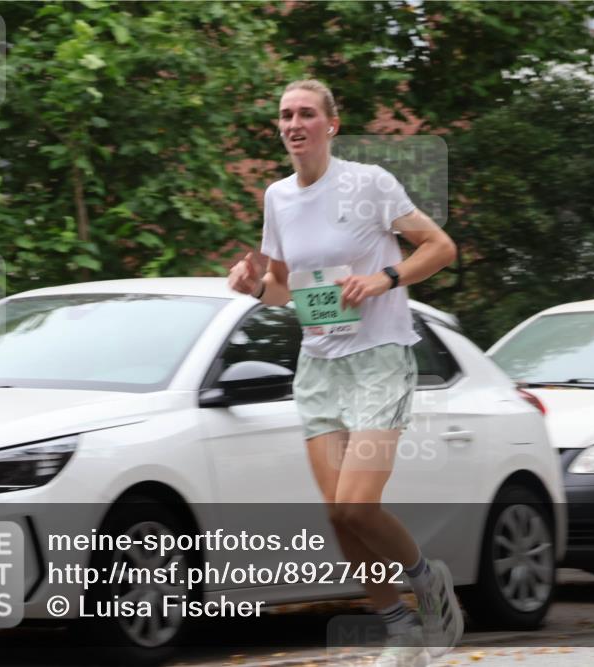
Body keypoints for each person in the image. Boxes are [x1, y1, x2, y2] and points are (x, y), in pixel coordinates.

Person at [228, 79, 461, 667]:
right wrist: (254, 284)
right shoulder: (278, 198)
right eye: (284, 115)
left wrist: (384, 278)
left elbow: (439, 247)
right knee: (336, 513)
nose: (293, 123)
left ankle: (428, 583)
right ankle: (400, 629)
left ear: (331, 124)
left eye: (306, 113)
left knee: (358, 506)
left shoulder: (368, 184)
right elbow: (286, 290)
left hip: (379, 357)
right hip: (318, 365)